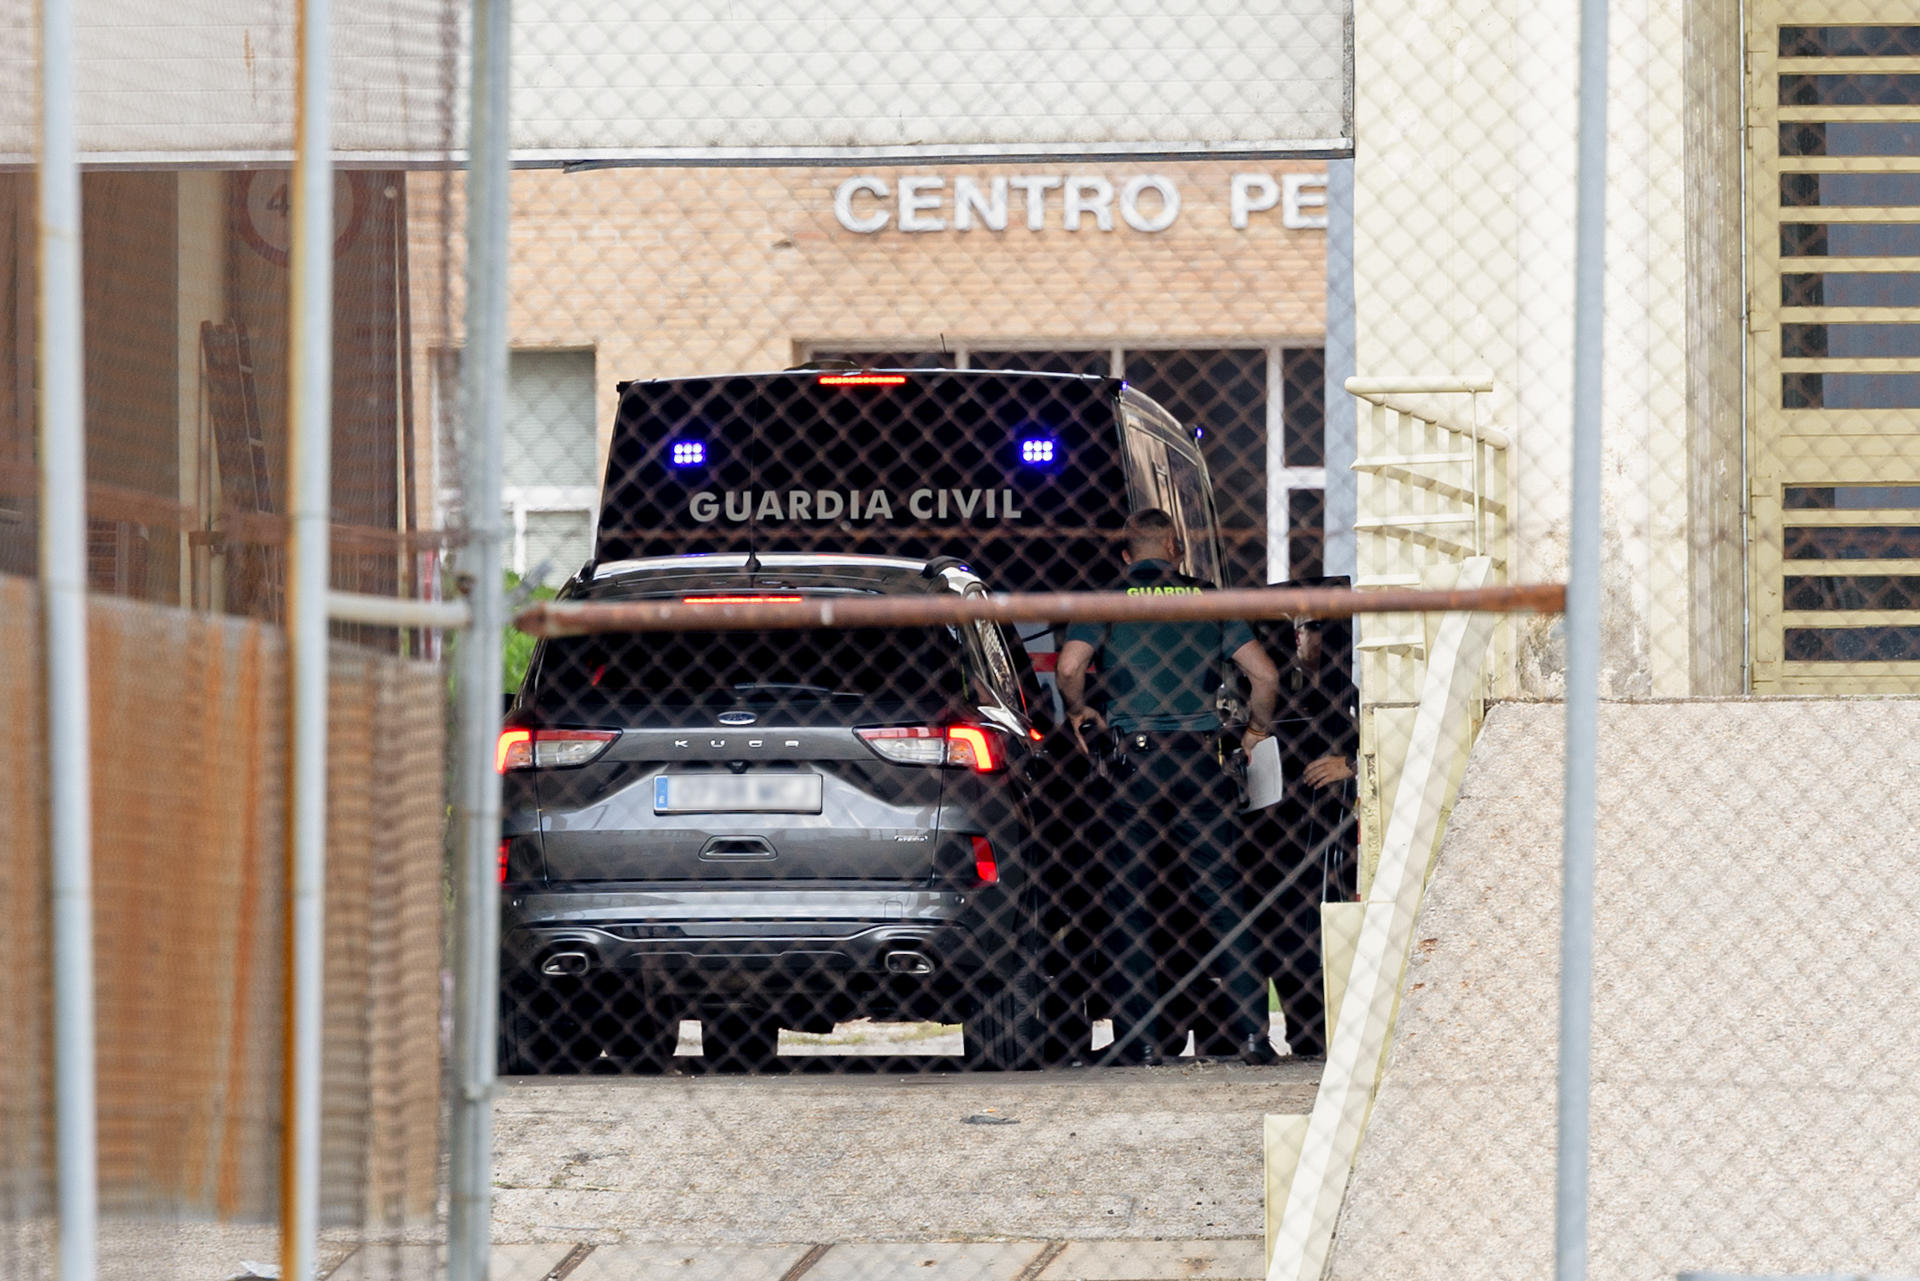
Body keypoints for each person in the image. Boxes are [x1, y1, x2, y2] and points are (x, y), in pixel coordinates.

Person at [1054, 509, 1281, 1066]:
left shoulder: (1106, 601)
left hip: (1134, 764)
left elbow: (1069, 667)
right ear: (1177, 549)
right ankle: (1255, 1037)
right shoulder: (1207, 599)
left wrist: (1080, 712)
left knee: (1129, 902)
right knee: (1222, 898)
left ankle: (1142, 1041)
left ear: (1126, 555)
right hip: (1200, 762)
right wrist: (1255, 731)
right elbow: (1266, 676)